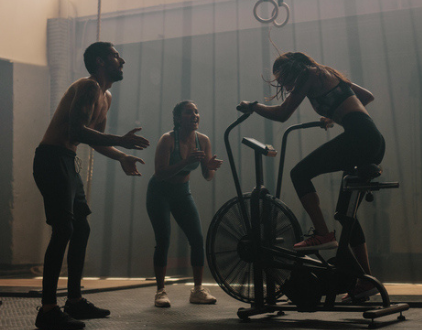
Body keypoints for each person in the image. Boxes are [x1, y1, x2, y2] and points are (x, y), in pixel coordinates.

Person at [238, 51, 385, 302]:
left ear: (294, 68)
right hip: (371, 141)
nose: (284, 85)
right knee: (344, 214)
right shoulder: (326, 73)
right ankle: (365, 282)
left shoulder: (309, 74)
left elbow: (282, 113)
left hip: (359, 138)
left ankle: (323, 234)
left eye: (283, 78)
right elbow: (366, 97)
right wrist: (334, 114)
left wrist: (253, 107)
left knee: (299, 172)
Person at [32, 42, 150, 329]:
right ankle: (48, 310)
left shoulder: (105, 96)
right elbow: (76, 131)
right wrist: (121, 140)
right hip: (52, 159)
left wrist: (121, 155)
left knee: (80, 227)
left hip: (68, 161)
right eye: (114, 56)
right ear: (100, 61)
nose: (121, 60)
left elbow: (95, 139)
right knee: (64, 229)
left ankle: (74, 302)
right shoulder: (89, 86)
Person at [146, 100, 223, 307]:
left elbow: (208, 176)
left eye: (197, 112)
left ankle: (197, 290)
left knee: (198, 239)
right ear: (178, 119)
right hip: (159, 193)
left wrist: (210, 167)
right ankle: (160, 292)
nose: (195, 115)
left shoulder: (203, 140)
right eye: (189, 113)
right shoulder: (167, 140)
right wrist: (185, 162)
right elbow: (160, 173)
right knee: (163, 239)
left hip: (182, 193)